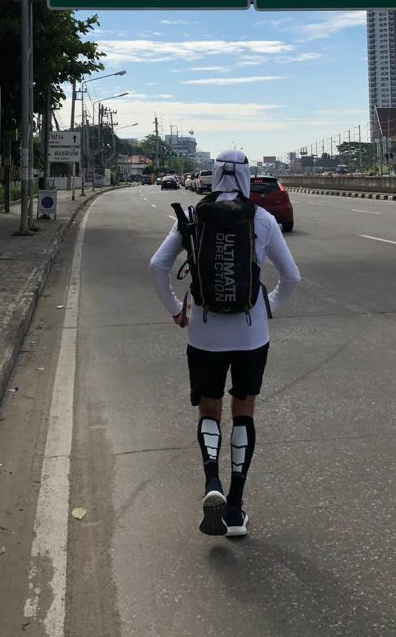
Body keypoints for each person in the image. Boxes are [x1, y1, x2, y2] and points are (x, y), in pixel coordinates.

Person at [149, 149, 301, 538]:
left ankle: (210, 482)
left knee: (209, 409)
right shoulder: (262, 219)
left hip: (204, 332)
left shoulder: (194, 217)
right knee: (244, 411)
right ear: (248, 176)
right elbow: (292, 278)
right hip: (251, 335)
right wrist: (266, 307)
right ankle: (235, 508)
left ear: (214, 176)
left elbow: (157, 266)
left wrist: (174, 309)